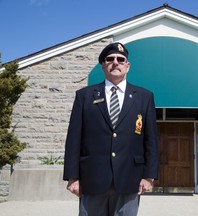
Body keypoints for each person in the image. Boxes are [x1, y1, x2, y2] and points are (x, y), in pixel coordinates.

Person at [63, 42, 159, 216]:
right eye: (110, 59)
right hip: (92, 179)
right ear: (103, 66)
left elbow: (151, 140)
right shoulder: (84, 96)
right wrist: (73, 176)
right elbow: (73, 139)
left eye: (121, 59)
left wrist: (149, 176)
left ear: (127, 66)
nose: (116, 62)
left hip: (130, 179)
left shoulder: (144, 97)